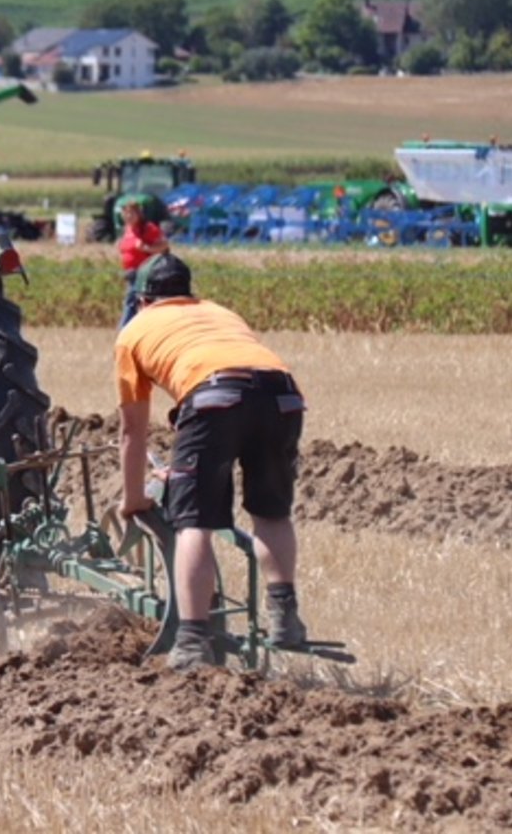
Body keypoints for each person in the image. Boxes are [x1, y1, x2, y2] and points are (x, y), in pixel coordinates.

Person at [114, 253, 308, 671]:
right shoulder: (220, 312)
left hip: (213, 398)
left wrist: (133, 500)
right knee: (270, 511)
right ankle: (284, 618)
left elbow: (133, 431)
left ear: (144, 301)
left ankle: (192, 639)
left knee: (194, 523)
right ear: (188, 292)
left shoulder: (134, 332)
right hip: (283, 396)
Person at [116, 193, 170, 328]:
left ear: (138, 214)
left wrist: (146, 248)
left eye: (131, 213)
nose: (128, 216)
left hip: (144, 272)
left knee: (132, 301)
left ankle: (124, 329)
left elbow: (164, 246)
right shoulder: (128, 229)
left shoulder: (148, 228)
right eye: (125, 213)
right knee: (136, 302)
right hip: (130, 273)